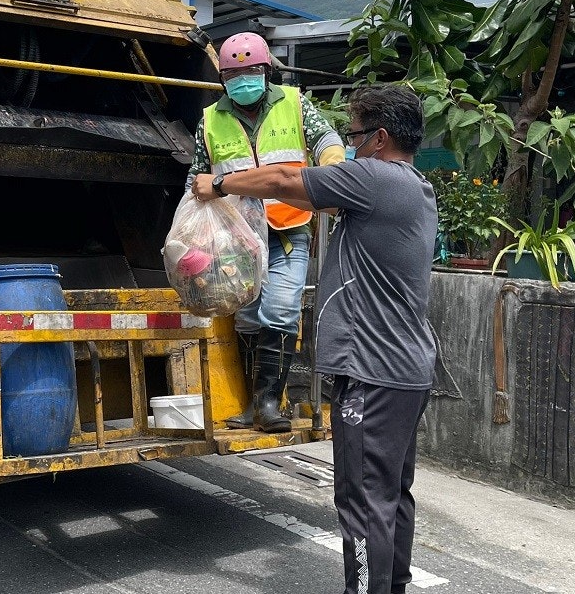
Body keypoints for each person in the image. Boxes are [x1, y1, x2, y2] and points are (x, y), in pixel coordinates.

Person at [192, 84, 437, 594]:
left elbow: (284, 178)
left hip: (373, 371)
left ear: (380, 138)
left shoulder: (377, 179)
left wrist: (219, 182)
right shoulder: (408, 187)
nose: (348, 145)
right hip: (402, 371)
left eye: (354, 136)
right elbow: (300, 191)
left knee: (363, 501)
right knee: (390, 496)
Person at [187, 31, 344, 432]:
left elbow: (326, 139)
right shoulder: (211, 119)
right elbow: (198, 176)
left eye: (251, 71)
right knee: (249, 316)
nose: (243, 80)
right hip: (238, 237)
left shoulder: (293, 104)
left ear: (266, 71)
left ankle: (272, 404)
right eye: (234, 74)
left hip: (288, 227)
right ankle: (253, 406)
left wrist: (332, 164)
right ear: (223, 79)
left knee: (281, 308)